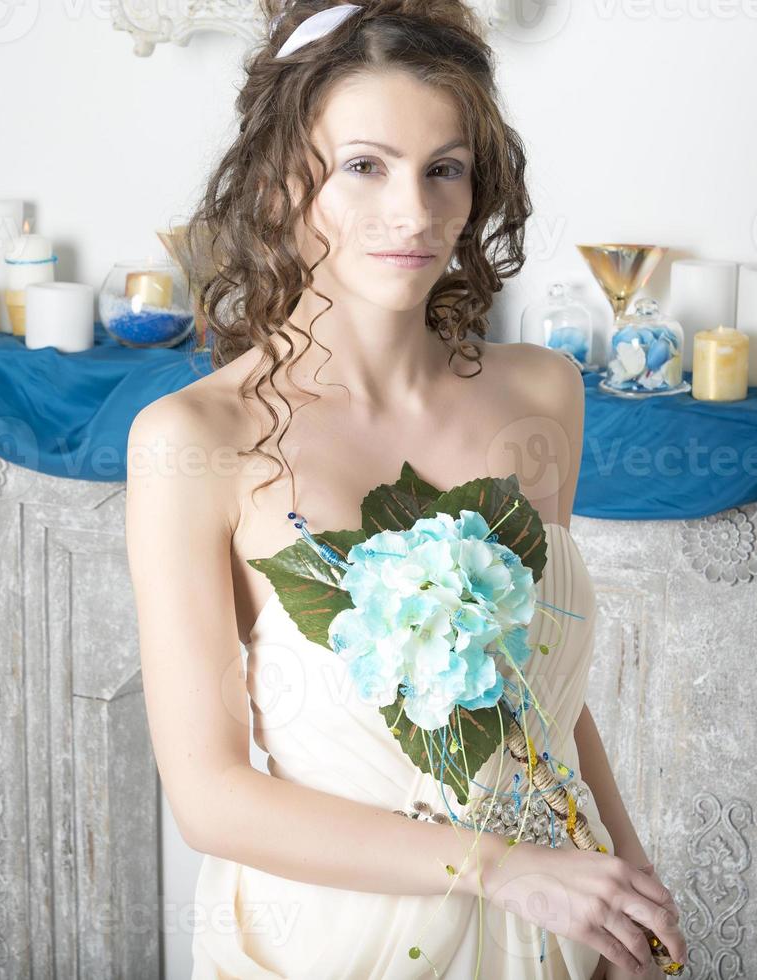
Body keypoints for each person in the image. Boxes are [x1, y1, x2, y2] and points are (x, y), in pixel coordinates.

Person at [124, 0, 688, 975]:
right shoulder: (195, 441)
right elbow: (209, 794)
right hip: (345, 938)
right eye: (364, 165)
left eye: (444, 168)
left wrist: (622, 878)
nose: (414, 213)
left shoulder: (541, 393)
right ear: (282, 180)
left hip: (555, 921)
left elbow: (542, 685)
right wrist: (495, 867)